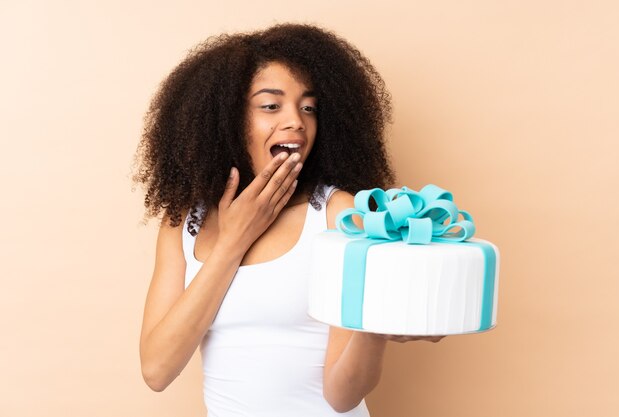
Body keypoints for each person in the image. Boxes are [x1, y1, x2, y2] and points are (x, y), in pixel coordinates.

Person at [133, 23, 444, 416]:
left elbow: (342, 396)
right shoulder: (183, 222)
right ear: (226, 119)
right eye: (271, 105)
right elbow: (157, 369)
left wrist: (373, 325)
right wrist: (233, 241)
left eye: (309, 107)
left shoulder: (338, 215)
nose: (297, 121)